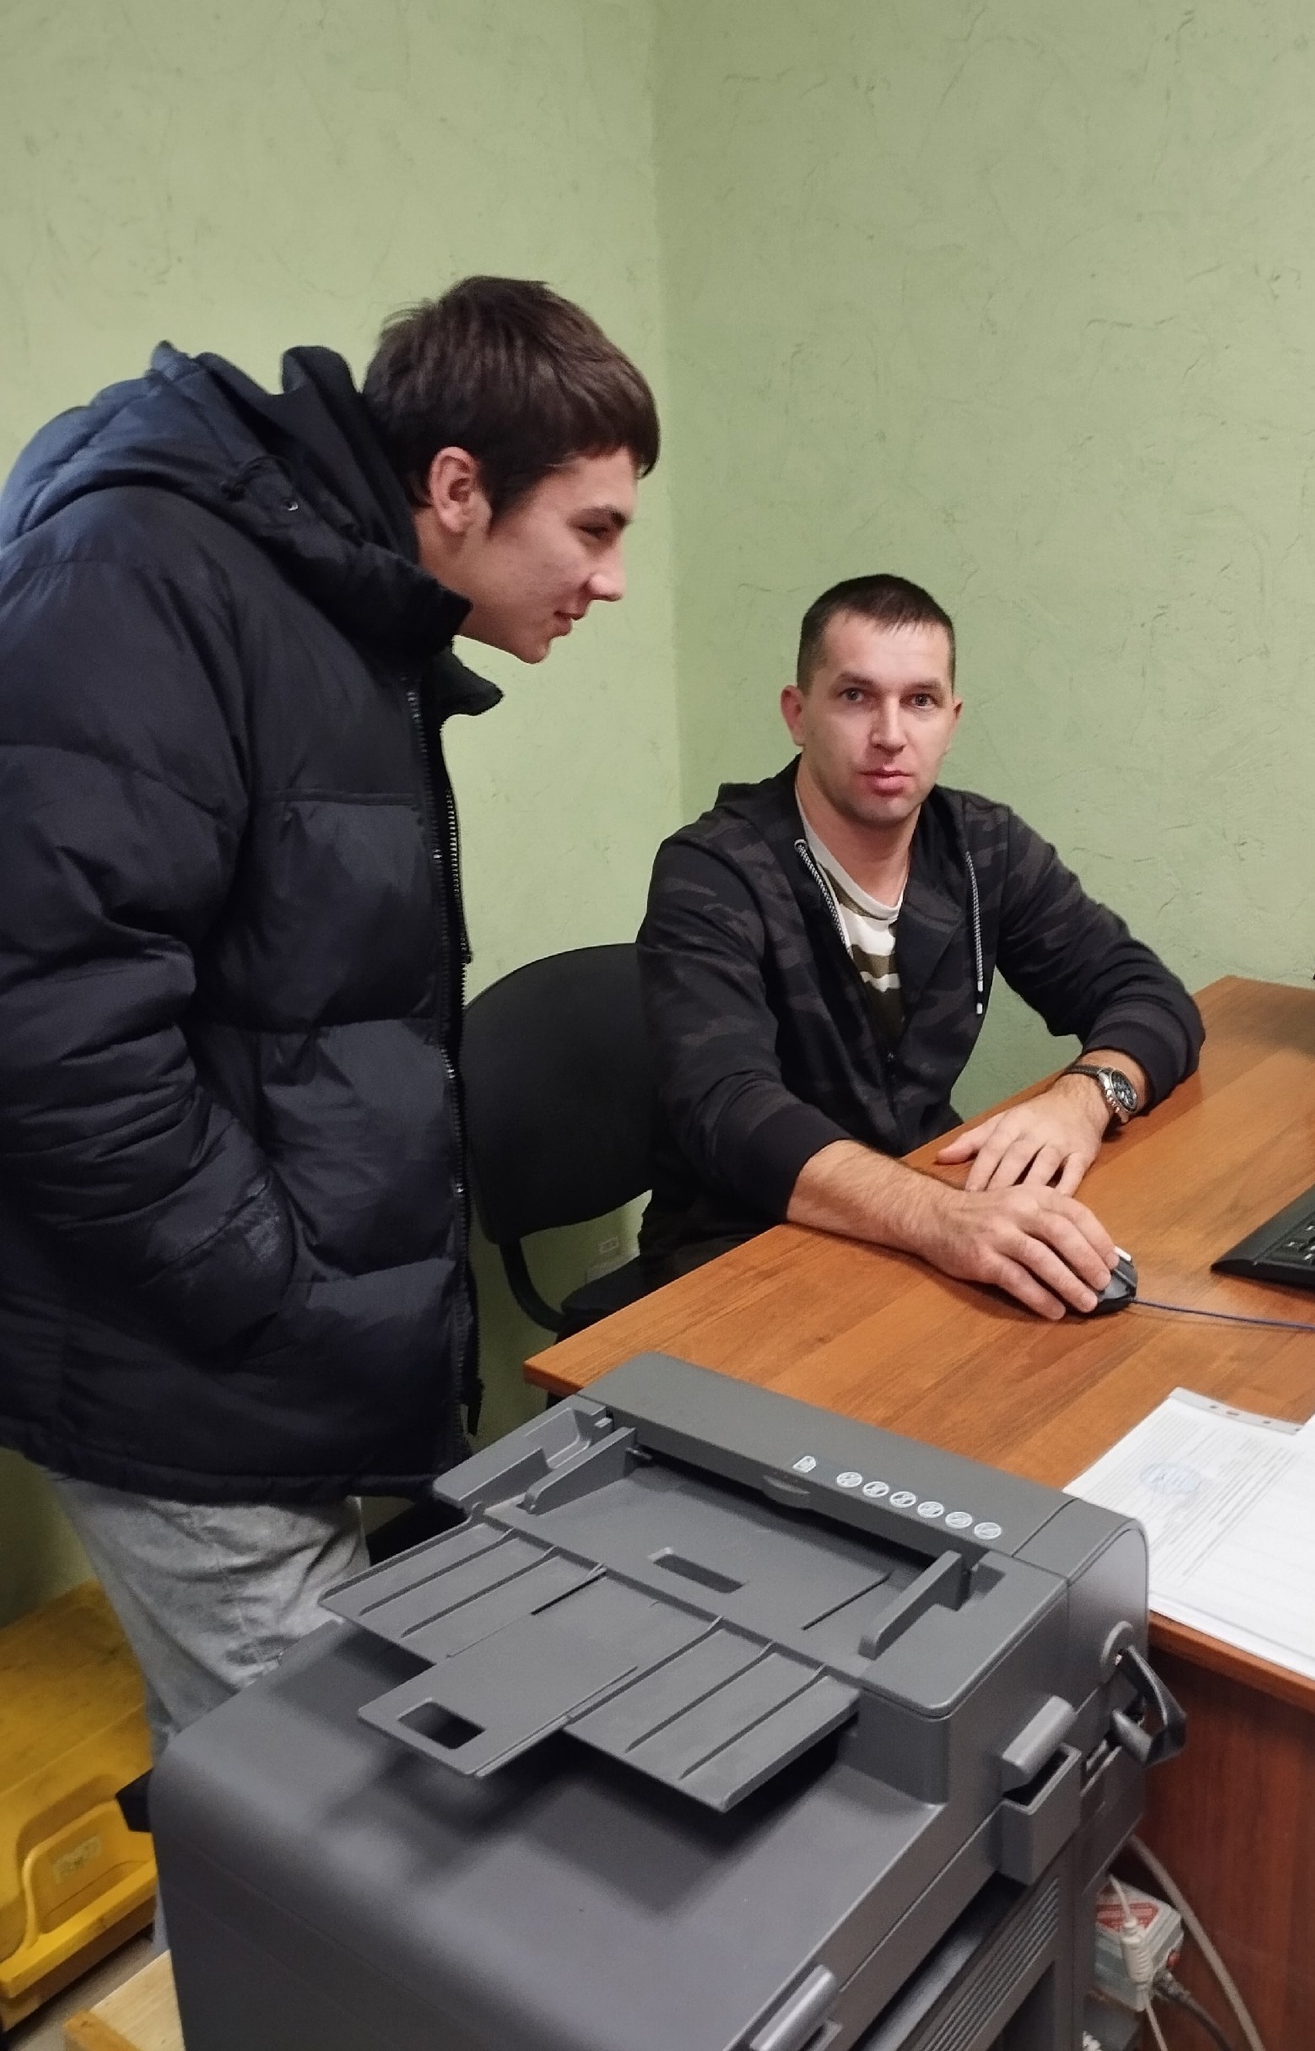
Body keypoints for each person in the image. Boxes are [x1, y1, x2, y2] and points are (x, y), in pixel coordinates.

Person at [0, 277, 658, 1754]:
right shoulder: (144, 581)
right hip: (186, 1369)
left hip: (272, 1359)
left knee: (263, 1802)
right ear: (456, 487)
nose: (612, 579)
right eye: (595, 528)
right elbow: (46, 1033)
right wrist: (269, 1294)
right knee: (330, 1812)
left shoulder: (338, 602)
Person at [637, 574, 1202, 1318]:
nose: (890, 735)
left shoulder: (982, 847)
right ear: (797, 714)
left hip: (921, 1224)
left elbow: (1147, 994)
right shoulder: (714, 870)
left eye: (920, 701)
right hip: (742, 1254)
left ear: (951, 720)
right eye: (855, 696)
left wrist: (1085, 1099)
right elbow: (729, 1107)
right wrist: (939, 1218)